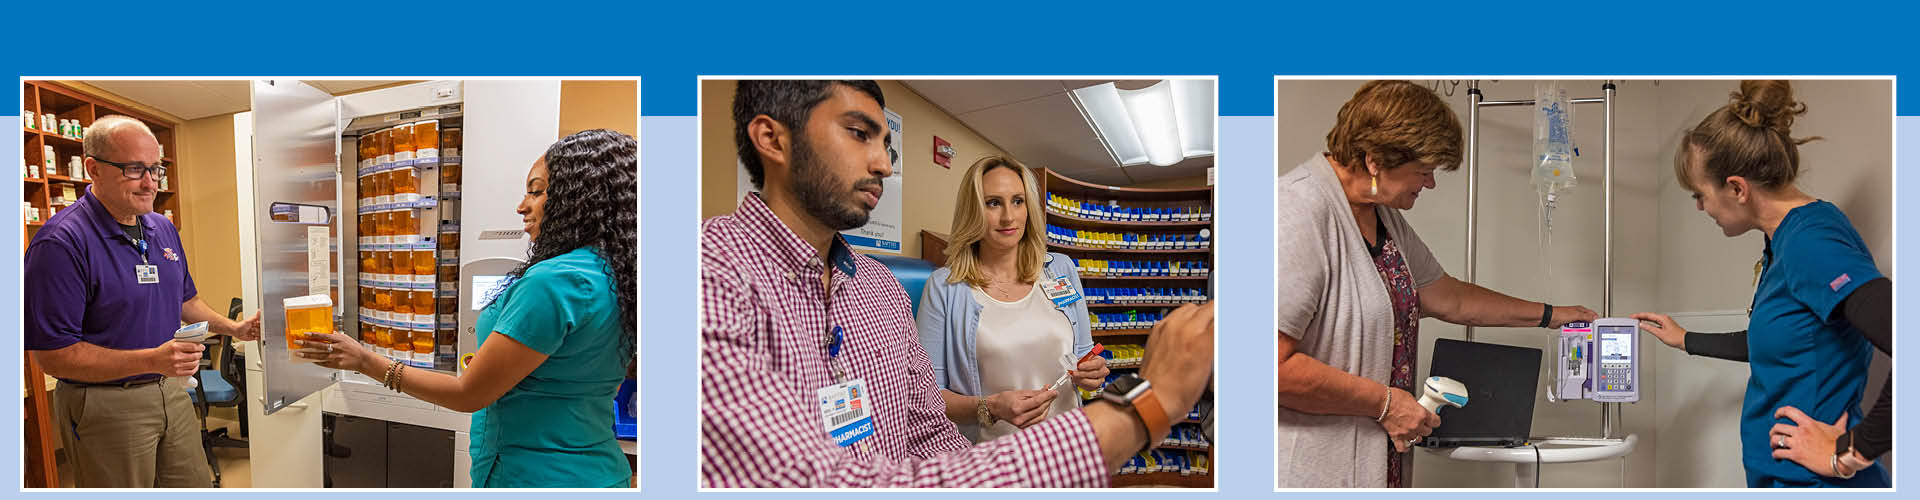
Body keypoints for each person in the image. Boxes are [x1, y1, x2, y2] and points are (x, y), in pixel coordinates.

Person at [700, 80, 1214, 487]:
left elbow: (928, 428)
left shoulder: (877, 288)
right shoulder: (709, 273)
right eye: (859, 133)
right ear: (772, 139)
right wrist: (1143, 408)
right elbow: (816, 482)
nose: (882, 164)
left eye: (887, 146)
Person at [1274, 81, 1598, 488]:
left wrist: (1552, 315)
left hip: (1376, 462)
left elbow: (1449, 297)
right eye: (1423, 171)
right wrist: (1386, 403)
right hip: (1308, 469)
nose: (1430, 184)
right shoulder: (1295, 211)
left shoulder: (1381, 216)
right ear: (1376, 161)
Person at [302, 129, 638, 488]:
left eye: (536, 191)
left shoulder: (554, 281)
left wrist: (364, 360)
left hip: (536, 474)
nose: (521, 206)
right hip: (598, 471)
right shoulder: (618, 273)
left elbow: (468, 395)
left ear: (580, 197)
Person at [1631, 81, 1889, 488]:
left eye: (1699, 195)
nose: (1700, 207)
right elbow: (1784, 346)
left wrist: (1852, 451)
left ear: (1736, 188)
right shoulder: (1784, 239)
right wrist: (1686, 339)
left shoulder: (1810, 241)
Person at [23, 115, 263, 487]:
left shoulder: (160, 226)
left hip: (171, 391)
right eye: (135, 169)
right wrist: (152, 358)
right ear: (93, 169)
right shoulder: (61, 243)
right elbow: (52, 355)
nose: (150, 182)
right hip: (105, 403)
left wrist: (234, 327)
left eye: (155, 169)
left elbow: (186, 299)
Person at [915, 156, 1109, 443]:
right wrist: (990, 408)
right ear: (973, 211)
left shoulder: (1061, 269)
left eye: (1018, 201)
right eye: (994, 203)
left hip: (1067, 448)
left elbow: (1084, 357)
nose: (1009, 217)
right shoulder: (945, 287)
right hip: (995, 460)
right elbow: (928, 397)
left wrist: (1094, 372)